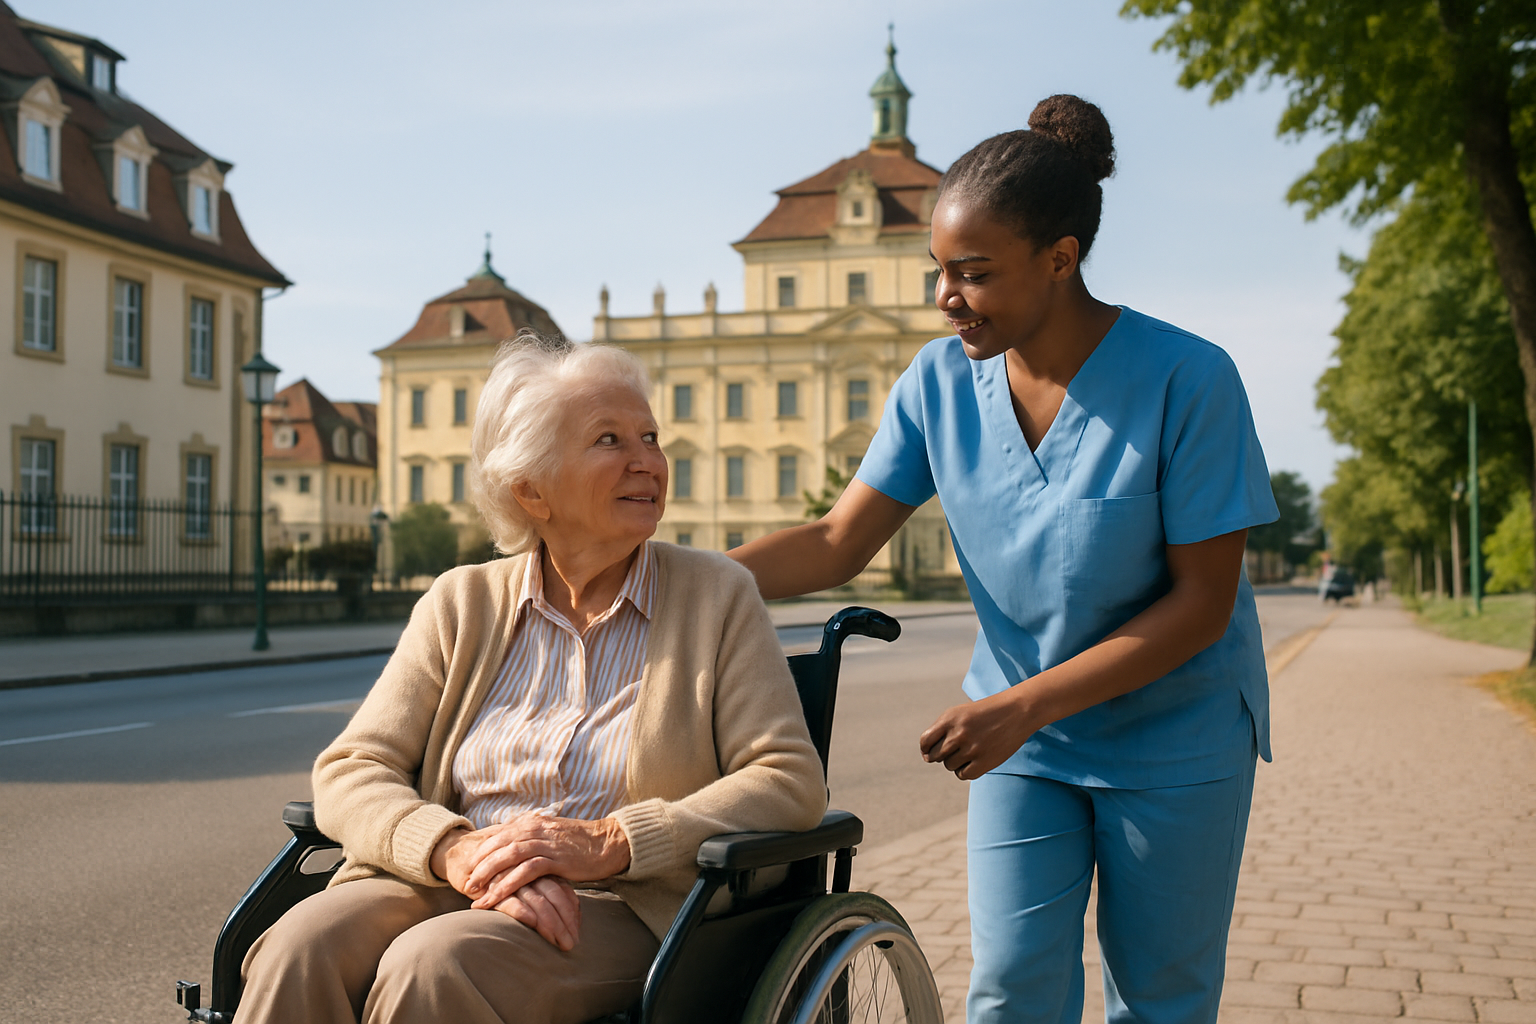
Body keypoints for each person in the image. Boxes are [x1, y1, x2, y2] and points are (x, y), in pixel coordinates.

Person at [730, 95, 1278, 1024]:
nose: (946, 298)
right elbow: (836, 540)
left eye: (973, 274)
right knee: (1013, 989)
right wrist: (672, 574)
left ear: (1060, 259)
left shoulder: (1191, 379)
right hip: (1029, 744)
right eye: (938, 271)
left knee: (1160, 1000)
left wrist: (1020, 706)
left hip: (1174, 739)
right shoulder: (938, 383)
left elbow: (1199, 607)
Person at [239, 331, 827, 1024]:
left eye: (650, 436)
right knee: (296, 945)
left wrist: (608, 843)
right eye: (611, 440)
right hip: (455, 873)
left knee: (433, 966)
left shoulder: (716, 596)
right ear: (532, 490)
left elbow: (788, 780)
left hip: (623, 903)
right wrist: (452, 849)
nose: (649, 462)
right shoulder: (463, 603)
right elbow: (351, 767)